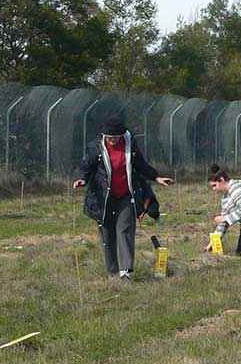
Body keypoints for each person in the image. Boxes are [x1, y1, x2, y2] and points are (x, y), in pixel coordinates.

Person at [73, 117, 173, 280]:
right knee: (108, 235)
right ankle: (112, 273)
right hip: (103, 198)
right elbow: (86, 167)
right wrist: (81, 179)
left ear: (122, 135)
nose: (113, 140)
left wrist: (156, 177)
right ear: (104, 136)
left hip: (126, 195)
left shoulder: (130, 144)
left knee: (125, 230)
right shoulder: (95, 147)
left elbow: (141, 165)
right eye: (110, 137)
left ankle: (126, 272)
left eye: (116, 137)